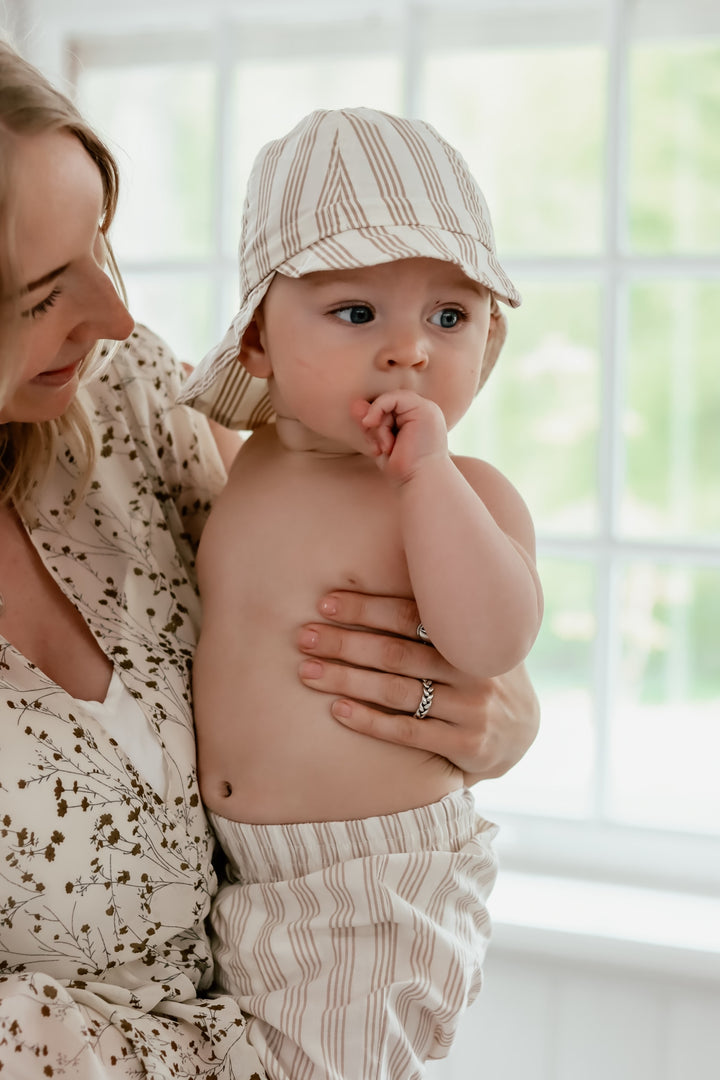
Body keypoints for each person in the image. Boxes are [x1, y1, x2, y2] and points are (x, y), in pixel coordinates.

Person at [0, 43, 539, 1080]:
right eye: (39, 293)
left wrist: (497, 707)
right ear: (257, 339)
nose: (115, 319)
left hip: (358, 893)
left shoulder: (128, 397)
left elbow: (468, 628)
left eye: (101, 247)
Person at [180, 108, 543, 1080]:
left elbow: (491, 641)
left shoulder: (460, 495)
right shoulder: (243, 461)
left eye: (449, 316)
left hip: (375, 882)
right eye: (356, 313)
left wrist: (429, 480)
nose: (411, 350)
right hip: (248, 876)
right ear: (257, 341)